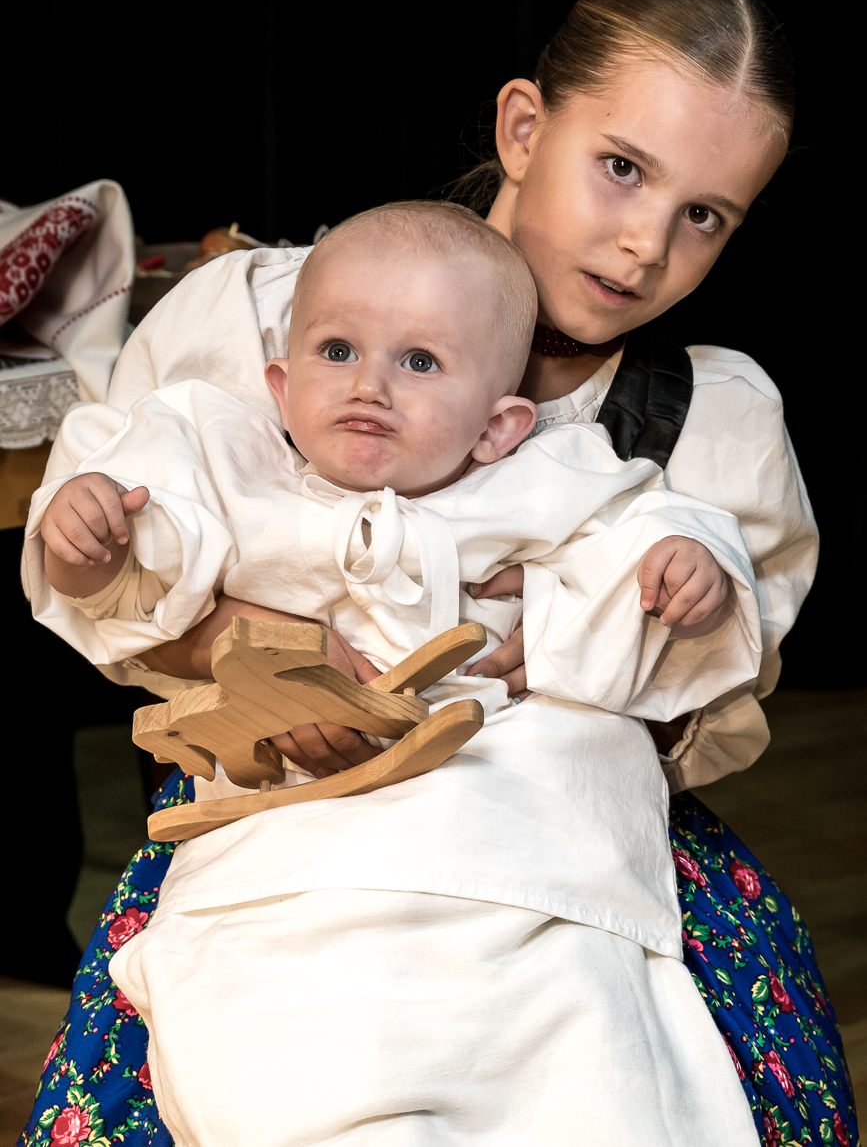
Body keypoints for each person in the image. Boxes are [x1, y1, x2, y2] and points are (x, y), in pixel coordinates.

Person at [18, 0, 858, 1147]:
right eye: (622, 168)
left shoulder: (709, 418)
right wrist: (249, 649)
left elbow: (718, 710)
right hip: (281, 835)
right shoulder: (270, 318)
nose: (643, 245)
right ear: (524, 128)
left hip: (555, 843)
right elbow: (106, 575)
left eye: (704, 216)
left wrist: (582, 644)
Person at [28, 200, 765, 1146]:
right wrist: (86, 535)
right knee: (266, 1012)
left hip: (511, 832)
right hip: (296, 836)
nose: (369, 385)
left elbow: (649, 529)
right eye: (337, 351)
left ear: (498, 426)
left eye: (419, 362)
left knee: (569, 1022)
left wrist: (687, 566)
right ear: (280, 383)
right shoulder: (229, 463)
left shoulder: (549, 478)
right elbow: (132, 572)